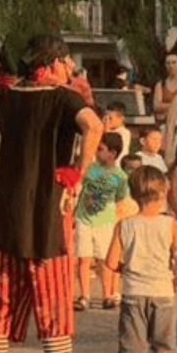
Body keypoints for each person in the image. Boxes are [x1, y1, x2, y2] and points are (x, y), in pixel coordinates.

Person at [0, 33, 115, 353]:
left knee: (4, 299)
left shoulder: (9, 97)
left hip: (8, 210)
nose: (71, 68)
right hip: (48, 209)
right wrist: (77, 172)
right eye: (66, 61)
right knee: (53, 299)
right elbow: (93, 126)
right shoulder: (63, 98)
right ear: (52, 63)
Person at [104, 165, 177, 353]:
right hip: (162, 293)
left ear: (133, 194)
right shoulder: (171, 225)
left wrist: (128, 269)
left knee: (135, 351)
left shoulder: (124, 225)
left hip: (132, 294)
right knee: (163, 349)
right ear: (163, 193)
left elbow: (110, 262)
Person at [73, 132, 129, 311]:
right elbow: (83, 189)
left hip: (106, 221)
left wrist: (117, 219)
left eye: (101, 149)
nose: (97, 152)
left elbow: (120, 199)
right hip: (84, 218)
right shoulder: (91, 168)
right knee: (84, 258)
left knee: (105, 260)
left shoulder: (120, 176)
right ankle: (85, 295)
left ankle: (107, 295)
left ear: (112, 153)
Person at [152, 51, 177, 124]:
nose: (171, 66)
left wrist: (166, 106)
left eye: (174, 62)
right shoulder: (160, 85)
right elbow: (157, 106)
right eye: (168, 63)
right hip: (163, 122)